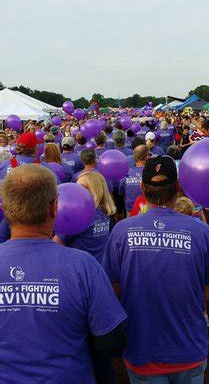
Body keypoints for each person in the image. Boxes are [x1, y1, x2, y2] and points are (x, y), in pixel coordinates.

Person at [0, 164, 126, 382]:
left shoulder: (83, 266)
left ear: (4, 208)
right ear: (54, 208)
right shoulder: (83, 266)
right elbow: (112, 341)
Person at [102, 156, 209, 384]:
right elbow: (208, 292)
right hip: (188, 347)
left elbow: (112, 288)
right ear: (178, 187)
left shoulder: (121, 230)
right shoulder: (201, 231)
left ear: (142, 188)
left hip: (142, 349)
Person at [54, 171, 116, 262]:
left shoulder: (82, 216)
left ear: (95, 191)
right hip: (96, 268)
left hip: (77, 268)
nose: (76, 190)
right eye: (76, 186)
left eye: (82, 187)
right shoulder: (104, 214)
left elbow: (54, 245)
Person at [119, 145, 150, 216]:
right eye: (150, 154)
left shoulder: (126, 173)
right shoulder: (151, 173)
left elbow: (121, 192)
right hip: (147, 211)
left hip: (130, 211)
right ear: (146, 157)